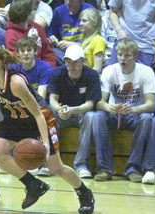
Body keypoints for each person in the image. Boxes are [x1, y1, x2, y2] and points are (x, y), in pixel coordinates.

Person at [0, 43, 95, 213]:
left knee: (55, 168)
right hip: (14, 120)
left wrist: (45, 143)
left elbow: (38, 114)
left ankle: (84, 193)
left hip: (38, 121)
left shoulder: (16, 83)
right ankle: (33, 184)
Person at [92, 39, 155, 184]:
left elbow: (151, 105)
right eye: (120, 55)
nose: (123, 58)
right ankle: (104, 169)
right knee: (97, 116)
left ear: (135, 57)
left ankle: (133, 169)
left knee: (147, 118)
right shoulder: (109, 70)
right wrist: (108, 107)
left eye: (127, 55)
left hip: (136, 115)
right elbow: (99, 102)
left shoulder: (146, 72)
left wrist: (134, 109)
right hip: (115, 114)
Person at [48, 44, 101, 178]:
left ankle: (81, 164)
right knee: (48, 113)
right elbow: (52, 99)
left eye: (75, 62)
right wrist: (60, 110)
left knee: (91, 116)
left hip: (80, 113)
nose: (71, 65)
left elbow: (90, 104)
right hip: (62, 112)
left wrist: (73, 110)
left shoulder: (92, 75)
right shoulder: (56, 73)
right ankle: (50, 163)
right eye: (68, 62)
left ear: (83, 61)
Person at [8, 37, 53, 176]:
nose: (26, 53)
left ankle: (46, 162)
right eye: (23, 50)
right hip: (18, 104)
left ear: (35, 52)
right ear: (18, 53)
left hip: (39, 103)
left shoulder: (44, 67)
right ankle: (14, 159)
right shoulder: (13, 69)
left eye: (29, 50)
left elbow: (41, 93)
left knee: (45, 115)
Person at [107, 0, 155, 68]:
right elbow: (112, 11)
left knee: (142, 77)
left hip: (146, 45)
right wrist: (119, 29)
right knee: (111, 74)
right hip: (123, 42)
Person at [4, 0, 56, 68]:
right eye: (34, 10)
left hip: (44, 69)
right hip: (24, 72)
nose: (35, 13)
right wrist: (32, 43)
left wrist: (48, 68)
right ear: (25, 14)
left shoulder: (37, 28)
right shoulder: (11, 35)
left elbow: (48, 53)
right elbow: (21, 63)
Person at [47, 0, 94, 66]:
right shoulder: (58, 11)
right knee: (51, 53)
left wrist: (76, 45)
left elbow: (95, 41)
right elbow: (51, 35)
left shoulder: (89, 10)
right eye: (66, 0)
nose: (68, 3)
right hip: (64, 53)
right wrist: (52, 39)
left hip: (84, 51)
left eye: (72, 0)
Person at [79, 8, 105, 74]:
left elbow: (97, 68)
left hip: (91, 80)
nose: (80, 23)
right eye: (80, 21)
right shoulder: (84, 39)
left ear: (94, 22)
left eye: (84, 21)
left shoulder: (98, 40)